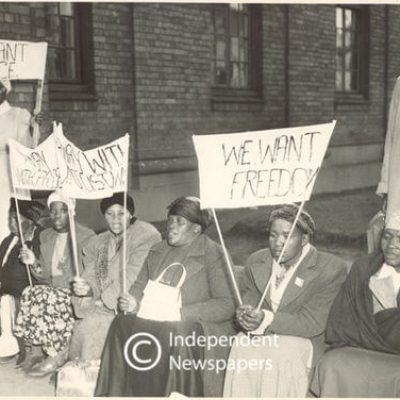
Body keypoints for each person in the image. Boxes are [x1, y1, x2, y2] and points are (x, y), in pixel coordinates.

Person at [95, 197, 236, 397]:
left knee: (178, 332)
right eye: (170, 220)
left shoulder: (214, 253)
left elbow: (227, 304)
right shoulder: (157, 250)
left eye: (180, 221)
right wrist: (133, 302)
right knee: (121, 323)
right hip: (158, 320)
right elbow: (138, 288)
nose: (171, 226)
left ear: (196, 228)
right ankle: (118, 393)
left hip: (197, 327)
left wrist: (180, 313)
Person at [223, 205, 348, 397]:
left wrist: (265, 319)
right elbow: (251, 302)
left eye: (287, 236)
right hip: (267, 334)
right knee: (241, 343)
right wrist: (245, 316)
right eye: (273, 235)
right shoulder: (257, 261)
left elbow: (312, 322)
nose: (278, 243)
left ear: (304, 239)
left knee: (280, 351)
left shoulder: (330, 268)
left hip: (307, 339)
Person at [310, 218, 400, 397]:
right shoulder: (364, 267)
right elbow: (342, 321)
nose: (392, 244)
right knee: (332, 363)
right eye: (387, 236)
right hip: (360, 348)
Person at [68, 192, 161, 363]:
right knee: (81, 323)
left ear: (130, 213)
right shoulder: (99, 242)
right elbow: (93, 272)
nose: (115, 219)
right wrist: (88, 290)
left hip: (133, 300)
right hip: (102, 301)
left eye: (121, 213)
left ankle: (93, 371)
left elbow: (133, 274)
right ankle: (80, 367)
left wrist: (105, 301)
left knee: (92, 325)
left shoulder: (145, 235)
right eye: (110, 214)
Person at [14, 191, 94, 375]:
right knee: (29, 292)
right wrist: (33, 261)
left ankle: (56, 356)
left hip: (74, 289)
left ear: (71, 212)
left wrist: (66, 286)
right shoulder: (46, 236)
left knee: (53, 297)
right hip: (54, 287)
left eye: (62, 210)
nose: (56, 215)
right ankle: (35, 349)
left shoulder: (86, 236)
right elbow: (45, 278)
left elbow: (87, 274)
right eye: (52, 211)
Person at [0, 198, 45, 362]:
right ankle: (7, 343)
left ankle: (20, 348)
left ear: (31, 220)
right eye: (9, 218)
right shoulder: (8, 241)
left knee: (9, 301)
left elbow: (43, 272)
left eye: (16, 219)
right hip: (6, 290)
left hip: (26, 292)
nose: (11, 223)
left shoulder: (42, 237)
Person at [0, 78, 43, 243]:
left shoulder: (19, 115)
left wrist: (33, 127)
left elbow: (28, 147)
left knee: (8, 216)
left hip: (9, 174)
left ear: (5, 90)